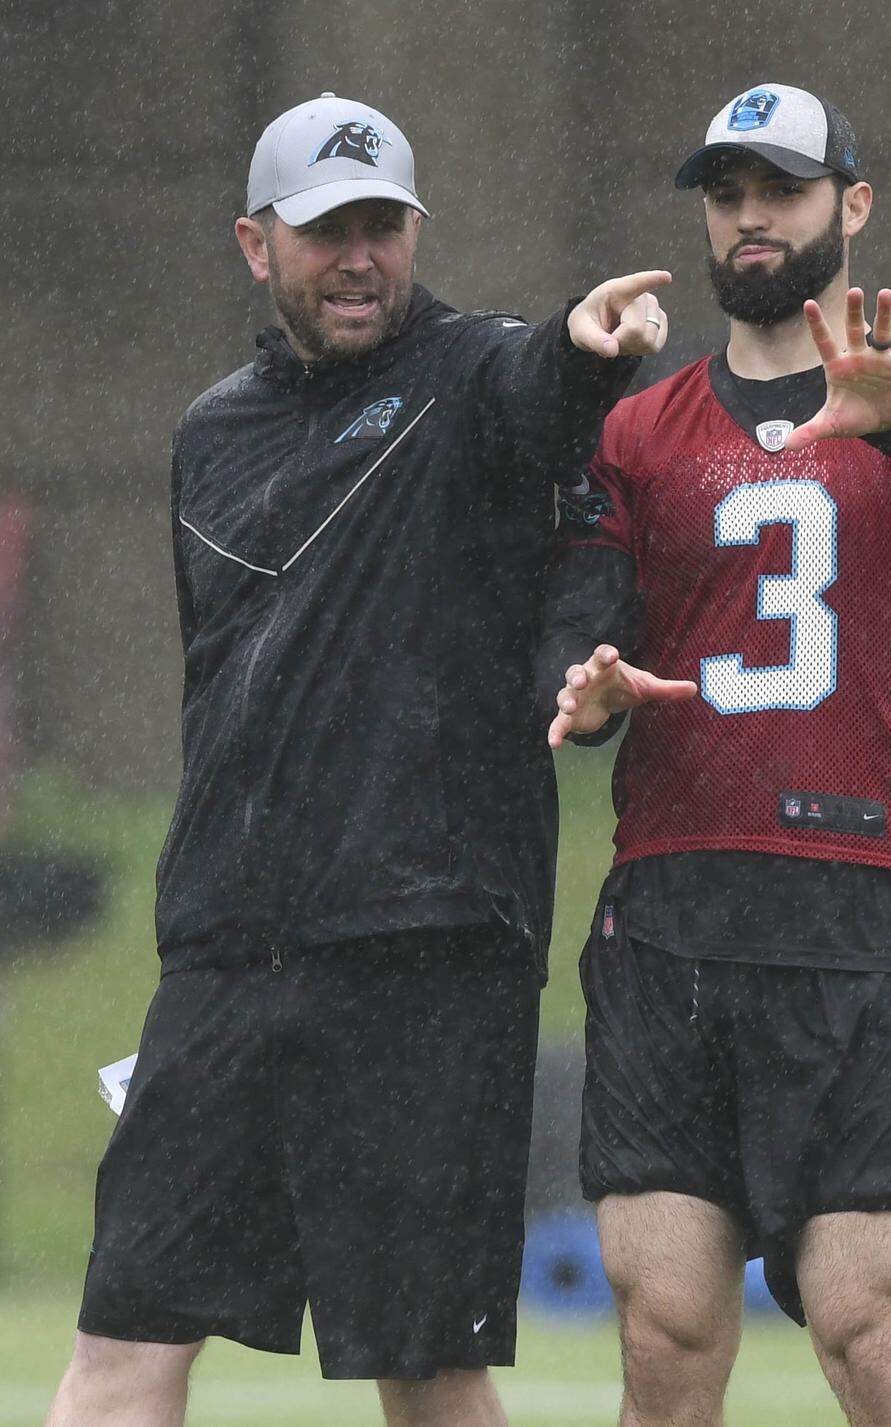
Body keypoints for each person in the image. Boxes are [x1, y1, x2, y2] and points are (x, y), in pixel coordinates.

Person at [47, 91, 669, 1427]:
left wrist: (587, 349)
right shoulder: (211, 434)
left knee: (425, 1366)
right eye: (327, 230)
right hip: (227, 952)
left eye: (383, 226)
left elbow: (540, 384)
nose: (359, 258)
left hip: (424, 950)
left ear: (415, 234)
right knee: (121, 1343)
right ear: (254, 243)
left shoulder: (475, 376)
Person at [542, 82, 891, 1427]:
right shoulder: (638, 430)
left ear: (852, 205)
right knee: (665, 1333)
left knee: (871, 1330)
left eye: (783, 189)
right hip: (672, 912)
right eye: (728, 195)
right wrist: (586, 685)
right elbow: (585, 630)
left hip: (856, 906)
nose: (752, 216)